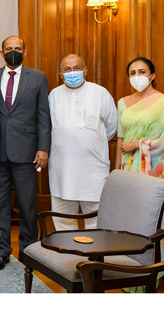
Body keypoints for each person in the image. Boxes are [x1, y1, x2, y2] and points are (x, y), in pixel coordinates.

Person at [0, 36, 51, 270]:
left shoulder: (39, 77)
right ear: (1, 53)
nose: (14, 52)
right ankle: (1, 251)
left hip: (27, 152)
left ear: (25, 51)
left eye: (18, 49)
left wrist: (43, 148)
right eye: (9, 49)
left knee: (27, 206)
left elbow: (44, 115)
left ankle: (29, 251)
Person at [116, 57, 164, 264]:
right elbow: (120, 138)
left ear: (152, 76)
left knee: (153, 220)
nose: (137, 77)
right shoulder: (123, 102)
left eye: (142, 72)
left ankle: (153, 269)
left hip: (153, 174)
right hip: (128, 171)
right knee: (130, 219)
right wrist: (116, 171)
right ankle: (127, 268)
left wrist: (138, 145)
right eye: (133, 73)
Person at [48, 54, 117, 230]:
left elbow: (111, 128)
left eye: (77, 68)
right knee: (63, 221)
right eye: (67, 69)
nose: (73, 72)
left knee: (96, 220)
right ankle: (66, 256)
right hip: (61, 169)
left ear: (85, 70)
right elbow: (47, 128)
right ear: (61, 74)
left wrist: (89, 142)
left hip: (93, 171)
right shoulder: (54, 95)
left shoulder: (100, 93)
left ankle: (93, 257)